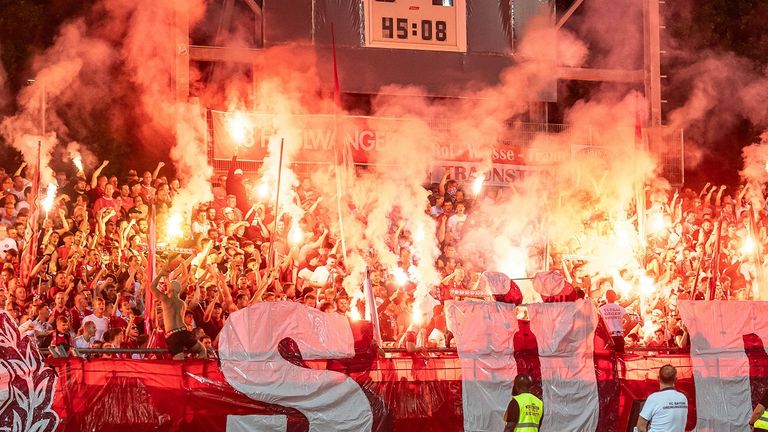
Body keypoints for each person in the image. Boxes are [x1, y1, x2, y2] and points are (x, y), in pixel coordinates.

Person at [149, 268, 206, 360]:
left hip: (173, 335)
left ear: (170, 289)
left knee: (179, 364)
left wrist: (160, 274)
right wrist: (168, 280)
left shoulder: (166, 300)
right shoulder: (182, 303)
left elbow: (152, 287)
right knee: (202, 351)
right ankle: (196, 370)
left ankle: (188, 371)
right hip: (184, 333)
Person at [637, 364, 688, 432]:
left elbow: (640, 427)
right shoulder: (683, 398)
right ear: (676, 379)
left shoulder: (654, 398)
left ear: (658, 378)